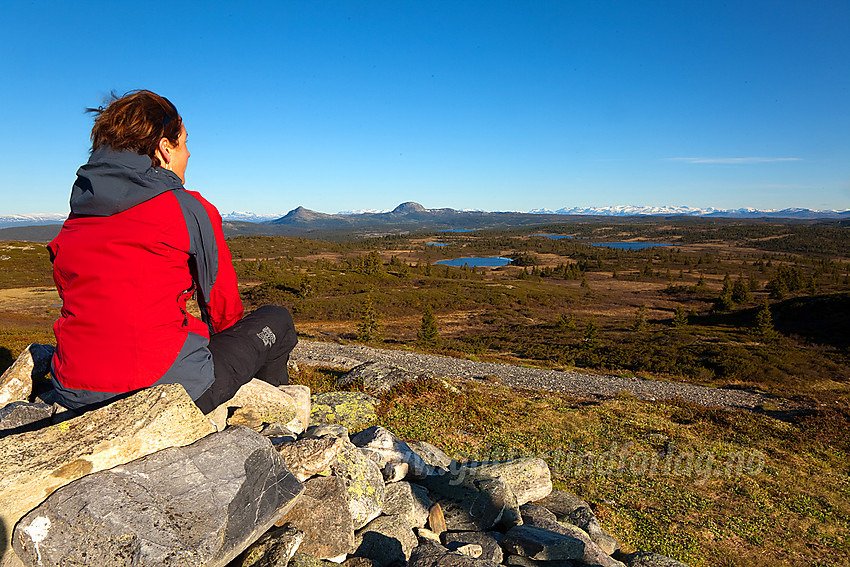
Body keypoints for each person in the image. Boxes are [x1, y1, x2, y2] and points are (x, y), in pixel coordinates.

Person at [48, 89, 297, 414]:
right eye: (184, 142)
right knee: (277, 320)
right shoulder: (186, 208)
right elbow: (222, 305)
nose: (189, 154)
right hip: (162, 390)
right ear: (165, 149)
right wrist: (228, 348)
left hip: (71, 387)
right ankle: (277, 421)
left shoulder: (79, 214)